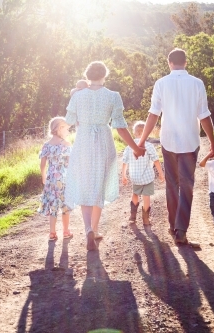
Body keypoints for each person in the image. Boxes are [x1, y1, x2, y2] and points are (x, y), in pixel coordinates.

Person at [138, 48, 214, 245]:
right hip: (190, 142)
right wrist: (213, 143)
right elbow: (204, 116)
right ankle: (181, 230)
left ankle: (173, 225)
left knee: (172, 184)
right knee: (187, 185)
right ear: (186, 62)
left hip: (169, 142)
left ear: (169, 62)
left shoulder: (161, 83)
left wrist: (141, 141)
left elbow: (153, 115)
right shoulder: (197, 83)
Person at [64, 61, 146, 251]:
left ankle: (87, 230)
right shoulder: (113, 96)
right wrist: (134, 147)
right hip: (103, 141)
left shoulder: (78, 96)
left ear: (87, 76)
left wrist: (76, 98)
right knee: (99, 184)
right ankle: (95, 228)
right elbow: (120, 126)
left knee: (85, 185)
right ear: (105, 76)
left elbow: (68, 121)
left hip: (83, 140)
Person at [122, 121, 165, 225]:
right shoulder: (149, 146)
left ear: (134, 133)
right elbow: (156, 160)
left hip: (135, 177)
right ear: (146, 132)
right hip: (147, 177)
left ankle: (133, 217)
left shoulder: (129, 147)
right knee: (146, 197)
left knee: (135, 194)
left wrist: (123, 175)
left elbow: (124, 162)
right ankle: (146, 219)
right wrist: (161, 173)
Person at [38, 117, 73, 241]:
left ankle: (52, 233)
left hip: (51, 179)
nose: (68, 131)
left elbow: (42, 164)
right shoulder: (66, 144)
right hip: (63, 179)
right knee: (65, 206)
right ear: (59, 128)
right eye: (66, 128)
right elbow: (70, 163)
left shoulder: (46, 145)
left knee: (53, 205)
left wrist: (43, 177)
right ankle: (66, 231)